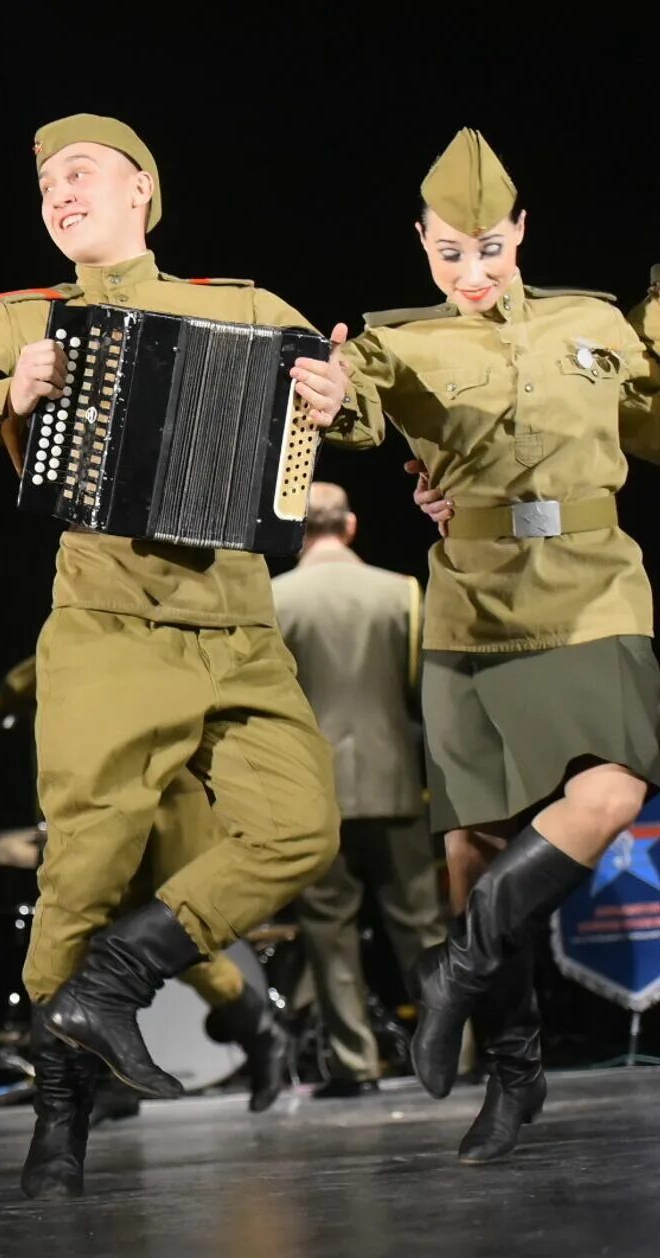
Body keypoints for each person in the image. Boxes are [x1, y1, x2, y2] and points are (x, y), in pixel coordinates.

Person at [0, 113, 366, 1199]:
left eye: (84, 173)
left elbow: (355, 394)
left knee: (301, 826)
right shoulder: (22, 321)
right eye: (47, 180)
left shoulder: (242, 308)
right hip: (107, 626)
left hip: (238, 624)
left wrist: (345, 396)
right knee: (86, 863)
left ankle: (113, 979)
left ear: (143, 192)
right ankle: (61, 1116)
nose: (61, 191)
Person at [339, 129, 660, 1162]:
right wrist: (320, 390)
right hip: (472, 599)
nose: (470, 272)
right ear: (421, 247)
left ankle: (455, 970)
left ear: (520, 231)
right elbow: (346, 412)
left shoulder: (596, 320)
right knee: (470, 841)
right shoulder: (398, 343)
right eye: (447, 255)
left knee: (612, 791)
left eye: (487, 248)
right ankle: (513, 1071)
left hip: (595, 582)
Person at [0, 655, 294, 1117]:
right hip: (113, 803)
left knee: (179, 936)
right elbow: (40, 665)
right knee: (97, 938)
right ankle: (119, 1082)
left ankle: (262, 1034)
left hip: (177, 797)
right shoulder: (91, 624)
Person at [271, 483, 449, 1097]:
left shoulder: (272, 601)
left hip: (314, 792)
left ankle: (355, 1063)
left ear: (297, 530)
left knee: (329, 933)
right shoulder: (400, 592)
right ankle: (454, 1050)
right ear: (349, 526)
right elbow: (421, 690)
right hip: (395, 780)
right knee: (424, 929)